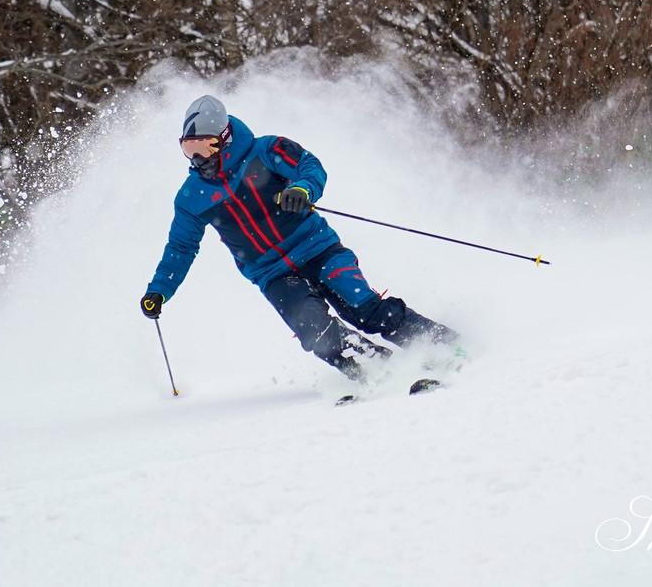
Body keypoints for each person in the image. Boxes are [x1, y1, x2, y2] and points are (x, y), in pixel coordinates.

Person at [138, 95, 460, 382]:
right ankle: (378, 371)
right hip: (272, 274)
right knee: (315, 331)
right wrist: (159, 291)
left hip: (317, 247)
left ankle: (444, 346)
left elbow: (310, 166)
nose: (198, 159)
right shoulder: (192, 196)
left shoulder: (265, 151)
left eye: (204, 147)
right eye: (188, 149)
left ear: (224, 138)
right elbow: (181, 248)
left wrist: (302, 189)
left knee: (363, 308)